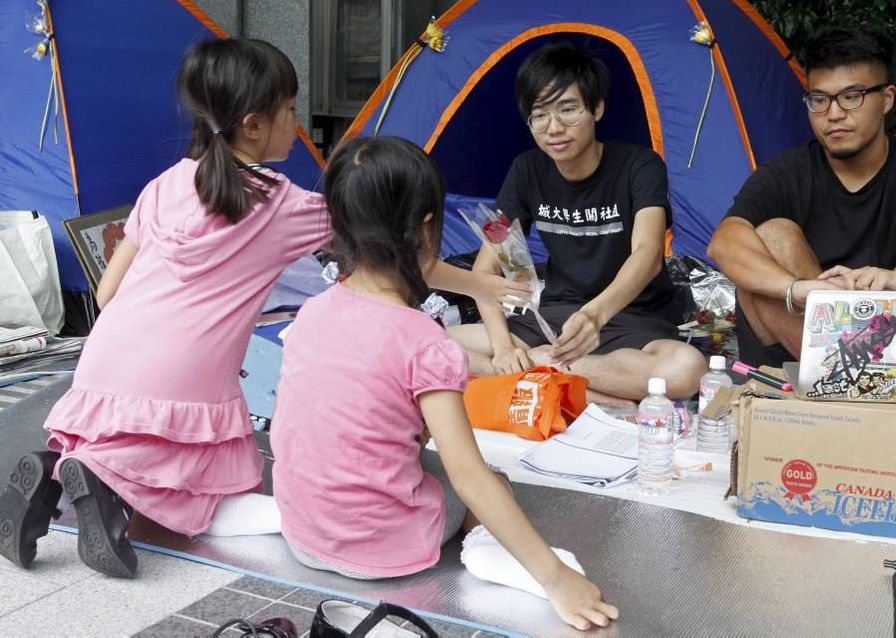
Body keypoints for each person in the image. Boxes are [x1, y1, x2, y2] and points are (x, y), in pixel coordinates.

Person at [0, 38, 525, 579]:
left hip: (102, 361)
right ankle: (109, 483)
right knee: (209, 486)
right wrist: (481, 287)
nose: (296, 123)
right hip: (184, 374)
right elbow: (382, 240)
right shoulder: (278, 204)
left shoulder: (167, 182)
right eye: (291, 111)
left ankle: (59, 470)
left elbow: (108, 293)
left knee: (144, 450)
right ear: (253, 124)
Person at [271, 136, 618, 631]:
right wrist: (557, 578)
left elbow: (297, 427)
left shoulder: (312, 312)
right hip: (386, 549)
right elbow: (468, 476)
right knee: (493, 480)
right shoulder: (424, 341)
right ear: (428, 227)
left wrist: (487, 286)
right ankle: (487, 553)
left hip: (302, 535)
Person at [708, 26, 896, 368]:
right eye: (819, 100)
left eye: (851, 96)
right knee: (771, 237)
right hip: (797, 356)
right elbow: (724, 242)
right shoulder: (785, 173)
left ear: (886, 98)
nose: (834, 113)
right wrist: (798, 288)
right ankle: (833, 371)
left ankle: (860, 376)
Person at [448, 43, 706, 402]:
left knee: (686, 369)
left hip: (628, 315)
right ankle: (586, 388)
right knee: (434, 342)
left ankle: (542, 373)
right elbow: (486, 269)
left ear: (596, 108)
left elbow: (647, 255)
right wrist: (504, 348)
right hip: (552, 318)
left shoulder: (640, 166)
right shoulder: (526, 170)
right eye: (539, 115)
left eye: (568, 110)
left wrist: (595, 316)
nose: (554, 128)